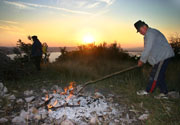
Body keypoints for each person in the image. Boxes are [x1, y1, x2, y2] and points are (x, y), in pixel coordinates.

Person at [134, 20, 175, 98]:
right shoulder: (148, 34)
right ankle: (164, 93)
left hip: (163, 56)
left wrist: (142, 60)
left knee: (155, 75)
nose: (140, 32)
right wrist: (153, 63)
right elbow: (151, 50)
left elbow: (148, 49)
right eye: (138, 31)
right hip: (160, 57)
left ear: (144, 26)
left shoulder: (150, 33)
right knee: (159, 75)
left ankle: (148, 91)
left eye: (139, 30)